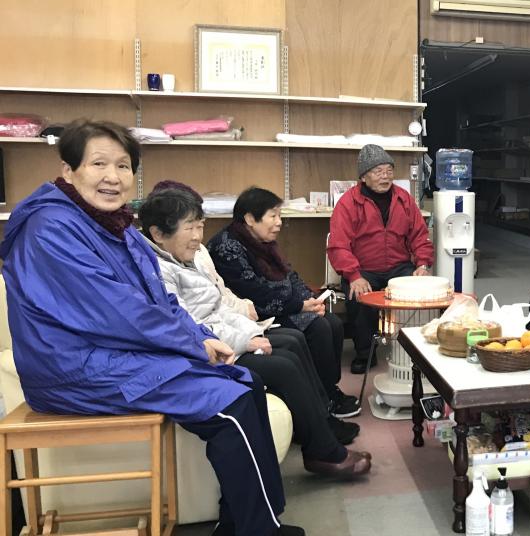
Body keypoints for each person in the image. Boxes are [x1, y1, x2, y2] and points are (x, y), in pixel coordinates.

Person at [0, 119, 303, 536]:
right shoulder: (50, 229)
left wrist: (199, 337)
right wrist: (193, 345)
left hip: (111, 354)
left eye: (123, 166)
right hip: (73, 369)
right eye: (98, 164)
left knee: (246, 380)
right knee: (228, 407)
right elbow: (117, 311)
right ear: (69, 171)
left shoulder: (112, 225)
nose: (112, 177)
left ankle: (243, 524)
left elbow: (157, 300)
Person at [139, 188, 371, 479]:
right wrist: (247, 337)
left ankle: (320, 423)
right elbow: (190, 322)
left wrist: (252, 332)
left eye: (200, 226)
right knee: (287, 360)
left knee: (294, 342)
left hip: (230, 331)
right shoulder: (163, 268)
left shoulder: (189, 258)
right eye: (190, 228)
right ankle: (323, 451)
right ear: (158, 233)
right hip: (205, 352)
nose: (199, 236)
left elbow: (220, 303)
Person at [207, 187, 360, 419]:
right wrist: (300, 305)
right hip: (254, 312)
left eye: (280, 215)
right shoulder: (227, 246)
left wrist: (309, 299)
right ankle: (322, 398)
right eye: (273, 216)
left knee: (333, 323)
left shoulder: (263, 240)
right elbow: (255, 292)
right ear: (250, 218)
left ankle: (328, 389)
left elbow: (289, 275)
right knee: (318, 327)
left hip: (282, 304)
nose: (279, 222)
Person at [327, 144, 434, 374]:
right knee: (359, 296)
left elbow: (420, 235)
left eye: (389, 171)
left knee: (419, 292)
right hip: (363, 268)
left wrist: (423, 264)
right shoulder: (348, 203)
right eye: (378, 171)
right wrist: (353, 275)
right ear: (364, 176)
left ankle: (413, 350)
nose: (385, 177)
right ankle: (365, 353)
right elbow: (338, 245)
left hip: (398, 266)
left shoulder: (403, 199)